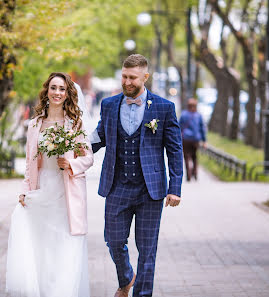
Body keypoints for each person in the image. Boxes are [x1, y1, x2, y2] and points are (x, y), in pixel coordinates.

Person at [90, 54, 183, 297]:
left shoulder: (164, 107)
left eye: (132, 77)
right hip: (117, 185)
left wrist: (175, 188)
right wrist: (72, 151)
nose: (127, 81)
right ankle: (126, 278)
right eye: (124, 76)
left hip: (149, 190)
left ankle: (143, 294)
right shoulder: (108, 105)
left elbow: (174, 150)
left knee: (147, 249)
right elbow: (99, 137)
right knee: (113, 240)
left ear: (145, 77)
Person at [6, 72, 94, 297]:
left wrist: (71, 163)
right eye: (53, 88)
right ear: (47, 90)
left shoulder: (75, 123)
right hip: (41, 188)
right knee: (41, 243)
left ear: (68, 94)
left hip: (66, 191)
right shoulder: (35, 124)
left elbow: (88, 157)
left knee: (63, 241)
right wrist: (25, 190)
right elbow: (29, 163)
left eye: (62, 89)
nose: (57, 93)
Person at [179, 98, 207, 181]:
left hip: (186, 139)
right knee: (194, 156)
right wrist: (204, 141)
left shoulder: (183, 114)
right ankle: (195, 173)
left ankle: (188, 175)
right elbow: (202, 128)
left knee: (186, 157)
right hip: (195, 139)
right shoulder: (198, 115)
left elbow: (179, 126)